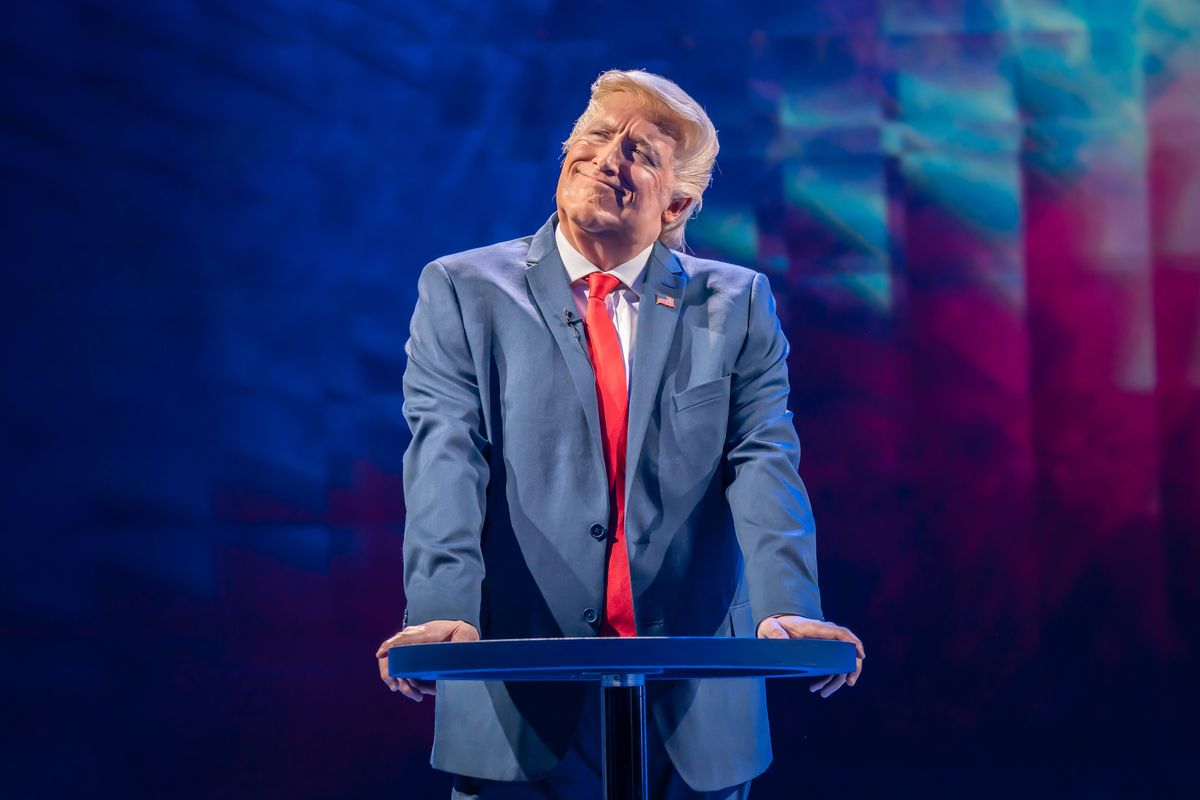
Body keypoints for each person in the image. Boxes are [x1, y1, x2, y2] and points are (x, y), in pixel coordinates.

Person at [376, 69, 864, 799]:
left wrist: (788, 606)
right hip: (517, 691)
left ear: (678, 204)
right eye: (598, 135)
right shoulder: (462, 290)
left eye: (640, 152)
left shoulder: (736, 303)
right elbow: (447, 453)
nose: (608, 158)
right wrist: (441, 608)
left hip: (693, 704)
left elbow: (763, 458)